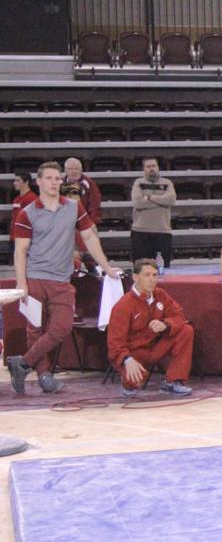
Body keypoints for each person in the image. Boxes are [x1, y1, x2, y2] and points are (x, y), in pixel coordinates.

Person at [7, 162, 121, 395]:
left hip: (62, 280)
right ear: (38, 182)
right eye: (49, 178)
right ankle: (44, 376)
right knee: (35, 330)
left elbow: (89, 238)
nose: (54, 182)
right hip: (35, 278)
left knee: (62, 327)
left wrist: (106, 267)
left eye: (57, 178)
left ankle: (22, 363)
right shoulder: (27, 213)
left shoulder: (73, 207)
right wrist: (21, 283)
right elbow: (20, 251)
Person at [107, 259, 194, 398]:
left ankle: (174, 381)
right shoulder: (123, 305)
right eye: (147, 275)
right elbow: (115, 342)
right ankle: (128, 381)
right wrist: (126, 359)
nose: (152, 279)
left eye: (154, 275)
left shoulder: (161, 295)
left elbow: (179, 316)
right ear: (135, 277)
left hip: (156, 347)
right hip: (134, 352)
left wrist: (166, 325)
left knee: (186, 330)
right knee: (133, 384)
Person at [131, 157, 176, 267]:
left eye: (154, 166)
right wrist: (161, 201)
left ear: (158, 167)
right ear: (144, 169)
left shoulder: (168, 183)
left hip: (163, 232)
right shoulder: (138, 183)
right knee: (141, 269)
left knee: (163, 269)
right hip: (140, 232)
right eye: (148, 166)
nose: (151, 169)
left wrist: (149, 197)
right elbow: (138, 203)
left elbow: (171, 200)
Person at [63, 158, 102, 229]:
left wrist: (91, 224)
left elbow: (95, 205)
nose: (74, 171)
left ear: (81, 170)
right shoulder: (59, 184)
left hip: (86, 223)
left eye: (76, 168)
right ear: (65, 171)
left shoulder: (90, 183)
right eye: (70, 169)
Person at [11, 171, 37, 237]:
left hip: (25, 237)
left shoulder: (32, 198)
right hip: (15, 235)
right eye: (15, 180)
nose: (14, 183)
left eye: (18, 180)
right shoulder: (16, 199)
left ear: (26, 182)